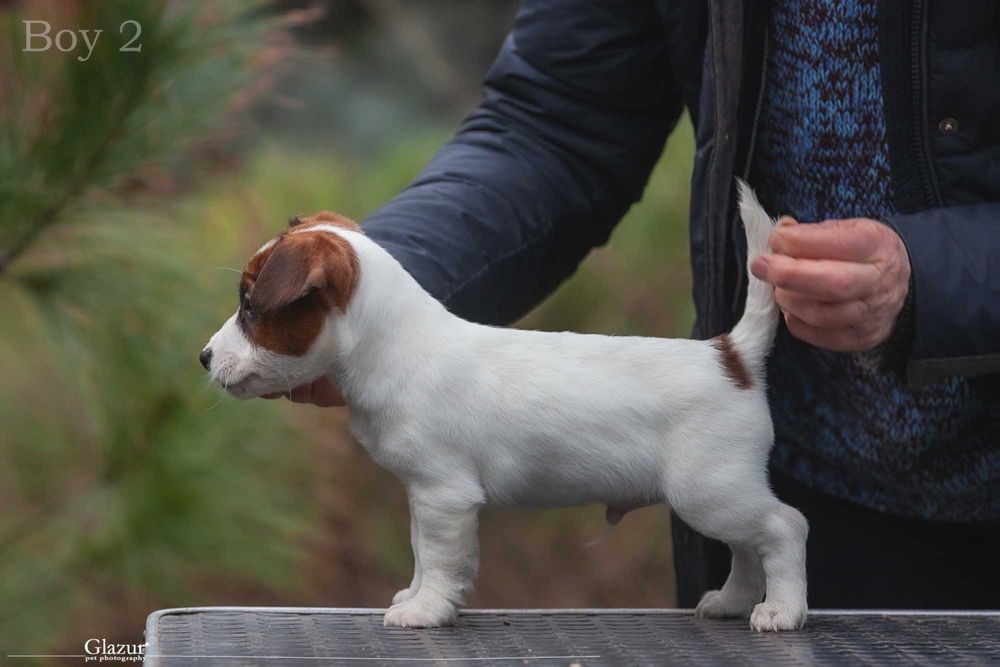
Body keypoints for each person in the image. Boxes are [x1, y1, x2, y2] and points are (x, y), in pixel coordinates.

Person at [270, 0, 999, 608]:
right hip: (809, 464)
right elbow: (555, 124)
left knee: (733, 507)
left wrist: (935, 278)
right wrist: (370, 287)